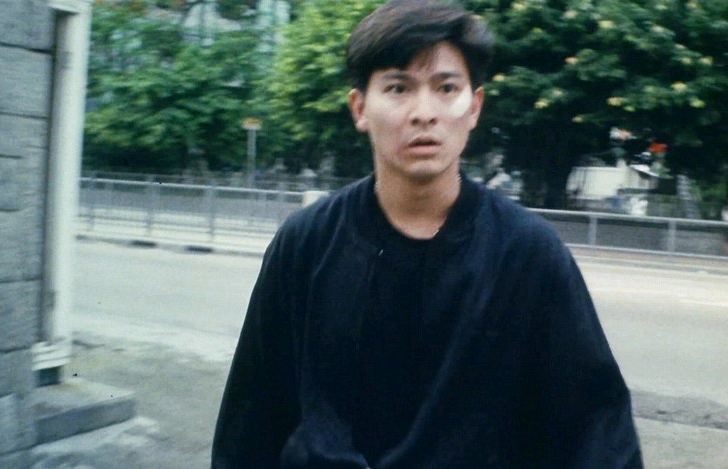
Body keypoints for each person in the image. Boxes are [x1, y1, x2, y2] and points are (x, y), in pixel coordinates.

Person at [212, 1, 642, 467]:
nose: (424, 113)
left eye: (446, 88)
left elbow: (598, 431)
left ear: (474, 107)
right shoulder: (306, 244)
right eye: (398, 88)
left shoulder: (528, 254)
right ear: (360, 107)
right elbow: (250, 420)